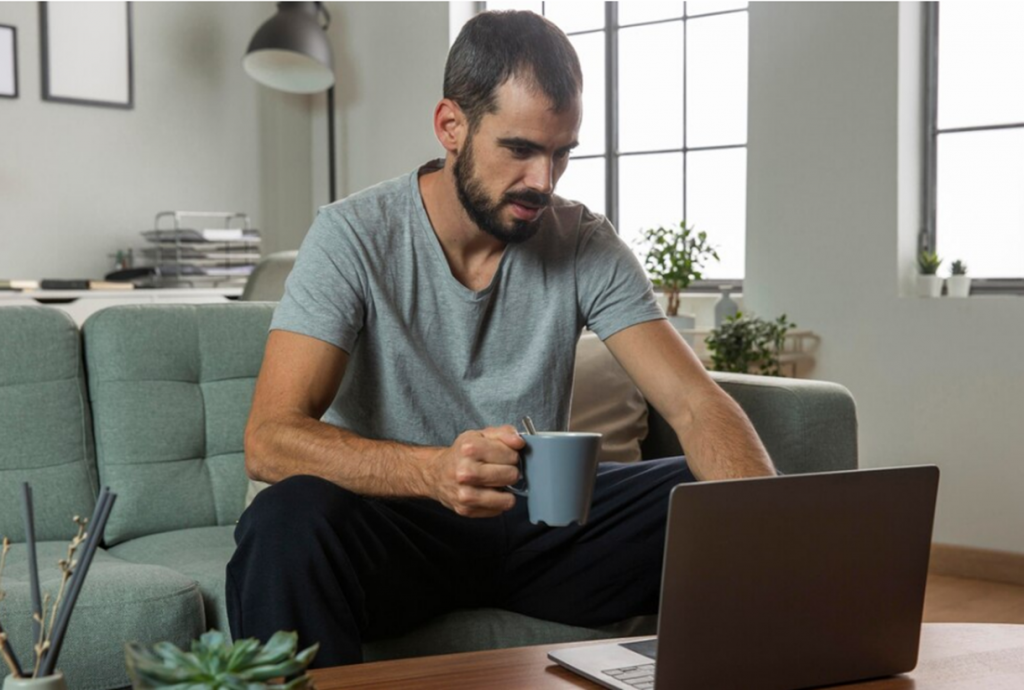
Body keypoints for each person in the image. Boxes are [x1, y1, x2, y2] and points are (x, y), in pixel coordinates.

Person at [226, 9, 776, 668]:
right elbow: (269, 437)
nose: (543, 181)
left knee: (710, 496)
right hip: (401, 527)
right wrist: (431, 472)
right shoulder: (352, 236)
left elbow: (694, 403)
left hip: (540, 532)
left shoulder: (584, 242)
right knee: (286, 523)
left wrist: (767, 533)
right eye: (520, 149)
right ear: (451, 126)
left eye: (562, 152)